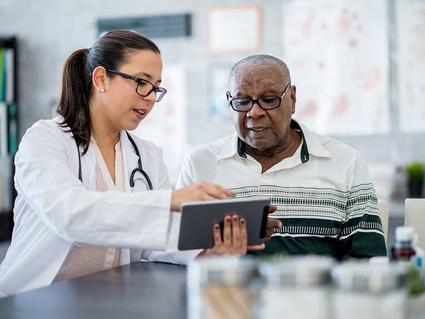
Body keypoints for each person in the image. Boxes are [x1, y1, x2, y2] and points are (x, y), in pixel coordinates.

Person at [0, 31, 249, 296]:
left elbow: (155, 242)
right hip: (33, 300)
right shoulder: (45, 139)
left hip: (108, 301)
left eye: (156, 87)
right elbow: (69, 216)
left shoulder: (148, 155)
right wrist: (169, 200)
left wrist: (209, 249)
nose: (151, 97)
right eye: (142, 82)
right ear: (101, 79)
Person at [148, 54, 387, 264]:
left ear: (292, 98)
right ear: (229, 103)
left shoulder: (345, 162)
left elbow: (368, 260)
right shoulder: (201, 163)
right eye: (242, 102)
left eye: (270, 99)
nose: (254, 112)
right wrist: (227, 243)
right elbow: (173, 251)